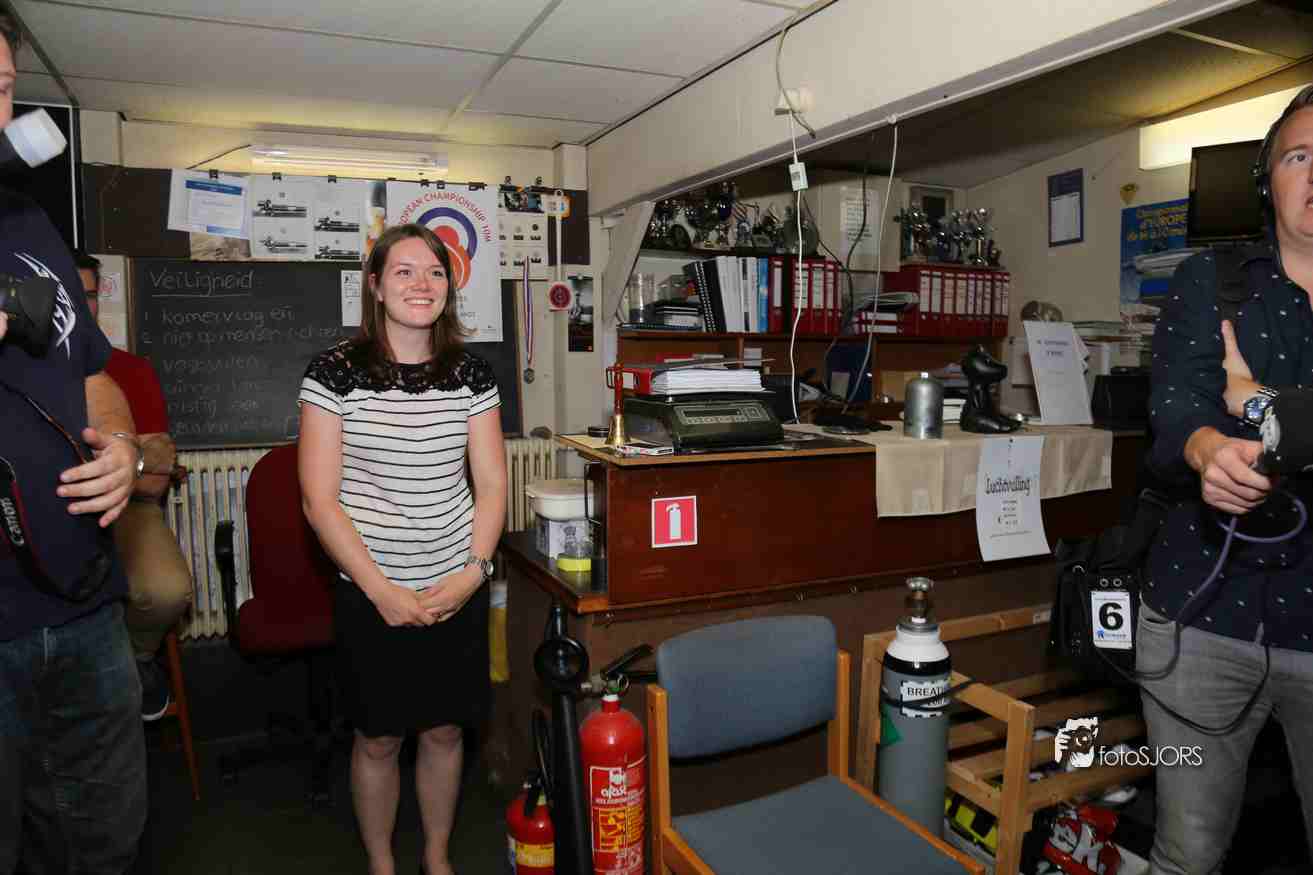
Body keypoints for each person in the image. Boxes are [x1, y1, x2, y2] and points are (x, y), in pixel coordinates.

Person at [298, 223, 507, 875]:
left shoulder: (471, 373)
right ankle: (382, 861)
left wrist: (473, 573)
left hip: (454, 587)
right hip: (372, 591)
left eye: (435, 272)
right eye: (404, 271)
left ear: (450, 287)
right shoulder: (334, 372)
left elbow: (493, 483)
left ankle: (437, 856)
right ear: (375, 286)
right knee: (379, 738)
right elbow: (319, 501)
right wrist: (381, 591)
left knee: (444, 731)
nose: (422, 283)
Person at [1143, 84, 1313, 875]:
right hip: (1200, 620)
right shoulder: (1209, 281)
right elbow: (1173, 408)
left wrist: (1255, 400)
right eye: (1299, 156)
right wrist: (1208, 443)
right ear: (1266, 181)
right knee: (1186, 854)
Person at [0, 11, 148, 873]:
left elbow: (89, 368)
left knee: (104, 839)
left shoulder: (30, 223)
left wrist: (121, 442)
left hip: (83, 601)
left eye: (3, 90)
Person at [77, 252, 193, 720]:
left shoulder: (131, 371)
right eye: (67, 293)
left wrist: (126, 462)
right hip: (42, 513)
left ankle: (133, 659)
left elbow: (152, 481)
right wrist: (126, 454)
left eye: (87, 295)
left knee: (165, 589)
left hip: (126, 508)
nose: (78, 305)